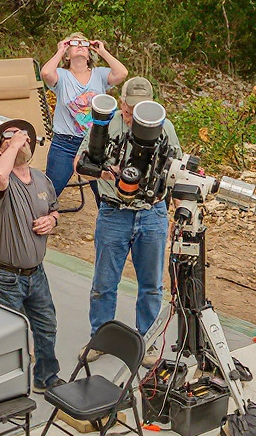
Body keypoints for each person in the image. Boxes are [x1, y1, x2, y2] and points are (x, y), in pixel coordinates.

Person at [74, 78, 177, 364]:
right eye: (130, 109)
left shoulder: (165, 127)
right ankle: (101, 339)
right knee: (104, 282)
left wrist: (178, 214)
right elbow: (79, 164)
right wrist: (108, 173)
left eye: (141, 110)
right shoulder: (107, 124)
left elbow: (176, 173)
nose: (133, 116)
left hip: (152, 212)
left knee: (151, 285)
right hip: (114, 212)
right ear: (121, 104)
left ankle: (148, 341)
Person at [0, 120, 62, 393]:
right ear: (1, 150)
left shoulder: (42, 179)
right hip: (4, 275)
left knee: (46, 325)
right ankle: (7, 391)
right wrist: (14, 142)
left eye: (23, 137)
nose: (20, 140)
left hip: (36, 273)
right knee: (6, 335)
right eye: (10, 138)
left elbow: (54, 210)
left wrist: (52, 220)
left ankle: (46, 377)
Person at [40, 32, 128, 200]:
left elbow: (122, 73)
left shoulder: (99, 74)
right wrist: (60, 50)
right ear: (67, 54)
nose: (79, 45)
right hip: (65, 144)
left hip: (95, 143)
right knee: (49, 193)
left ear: (89, 54)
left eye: (83, 43)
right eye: (74, 43)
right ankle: (41, 221)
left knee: (105, 196)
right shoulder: (62, 76)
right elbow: (45, 73)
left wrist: (102, 51)